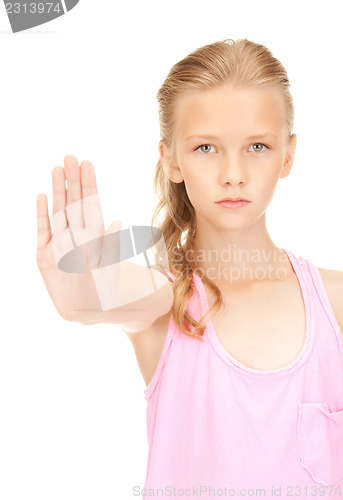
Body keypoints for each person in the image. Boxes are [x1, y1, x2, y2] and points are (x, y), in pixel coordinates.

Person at [36, 38, 343, 499]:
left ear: (288, 154)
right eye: (206, 148)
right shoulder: (167, 297)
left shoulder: (333, 301)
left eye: (257, 145)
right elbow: (114, 295)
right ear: (171, 159)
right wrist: (85, 292)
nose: (233, 173)